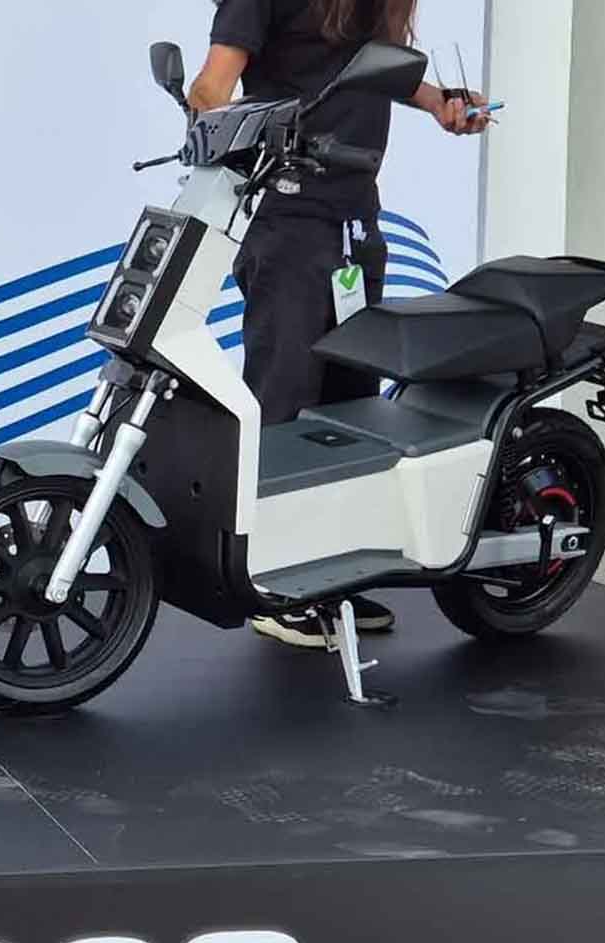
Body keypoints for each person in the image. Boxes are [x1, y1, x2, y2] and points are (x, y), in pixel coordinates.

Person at [188, 0, 491, 648]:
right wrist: (223, 134)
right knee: (284, 398)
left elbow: (366, 67)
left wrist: (439, 103)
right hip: (289, 223)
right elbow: (212, 87)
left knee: (349, 409)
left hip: (355, 221)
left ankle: (326, 584)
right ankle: (271, 583)